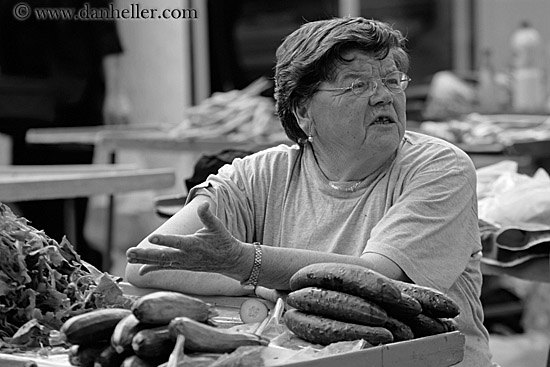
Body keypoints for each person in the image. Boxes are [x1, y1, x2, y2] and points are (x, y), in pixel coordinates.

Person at [126, 17, 495, 366]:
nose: (384, 97)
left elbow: (377, 281)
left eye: (392, 80)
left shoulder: (440, 167)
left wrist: (246, 263)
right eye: (358, 85)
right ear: (303, 110)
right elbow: (146, 262)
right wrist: (260, 286)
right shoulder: (262, 173)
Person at [0, 0, 130, 269]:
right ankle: (46, 269)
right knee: (37, 203)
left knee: (78, 196)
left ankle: (80, 269)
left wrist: (118, 93)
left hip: (77, 94)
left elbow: (105, 29)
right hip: (27, 99)